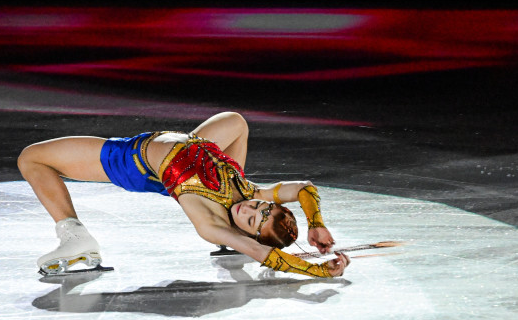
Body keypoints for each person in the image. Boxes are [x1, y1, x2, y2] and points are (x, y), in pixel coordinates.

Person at [17, 111, 350, 277]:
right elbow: (304, 188)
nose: (249, 208)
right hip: (186, 144)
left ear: (246, 233)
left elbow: (259, 253)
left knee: (31, 158)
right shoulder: (249, 191)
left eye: (250, 220)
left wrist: (318, 271)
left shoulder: (209, 223)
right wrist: (315, 223)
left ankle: (74, 234)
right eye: (261, 207)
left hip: (131, 160)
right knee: (236, 121)